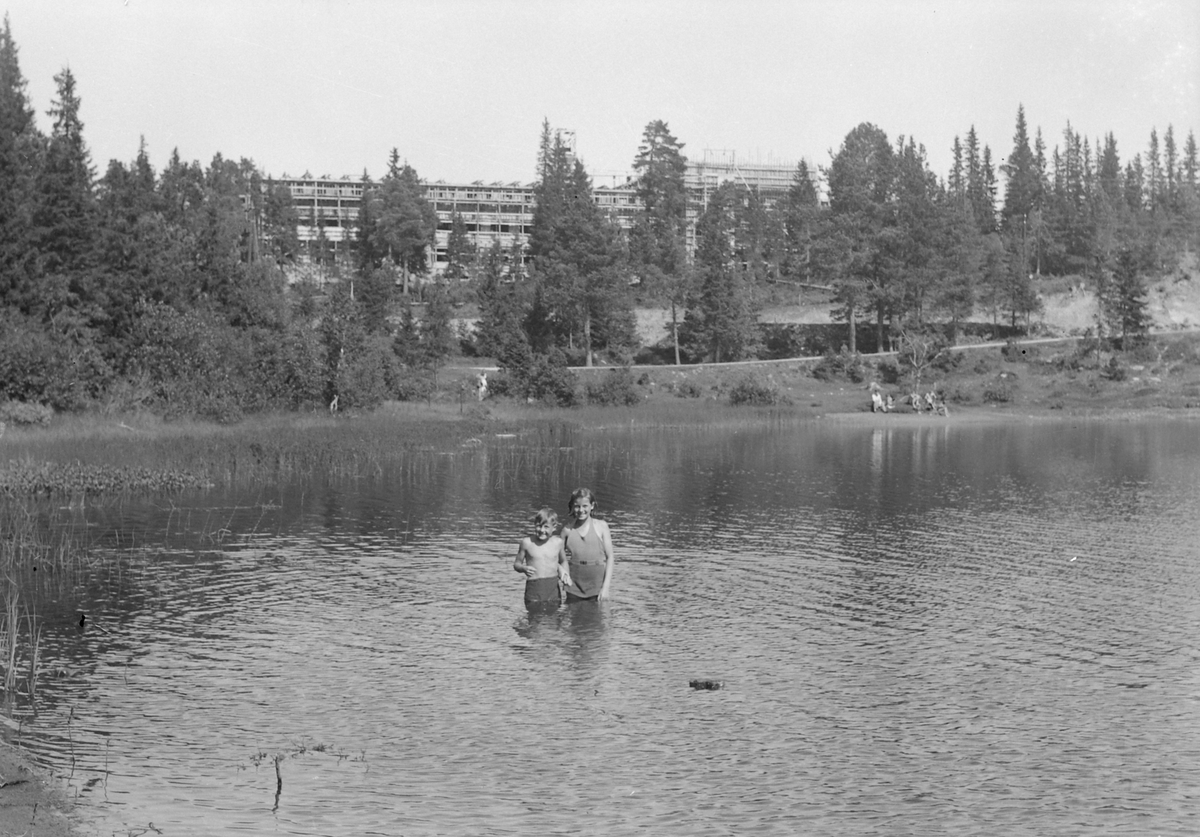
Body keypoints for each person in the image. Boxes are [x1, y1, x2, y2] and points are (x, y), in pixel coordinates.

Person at [560, 488, 614, 603]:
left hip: (597, 587)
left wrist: (605, 588)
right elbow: (558, 558)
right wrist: (563, 573)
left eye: (585, 506)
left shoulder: (602, 526)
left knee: (598, 619)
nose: (581, 510)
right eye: (577, 506)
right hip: (573, 587)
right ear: (572, 507)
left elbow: (610, 558)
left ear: (592, 506)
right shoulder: (567, 530)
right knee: (574, 618)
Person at [513, 509, 570, 612]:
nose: (542, 530)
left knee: (554, 620)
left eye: (546, 527)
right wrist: (523, 568)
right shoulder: (527, 543)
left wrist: (565, 574)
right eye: (539, 525)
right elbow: (516, 564)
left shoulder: (558, 543)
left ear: (554, 528)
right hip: (534, 588)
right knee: (534, 619)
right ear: (534, 524)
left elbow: (563, 561)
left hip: (552, 587)